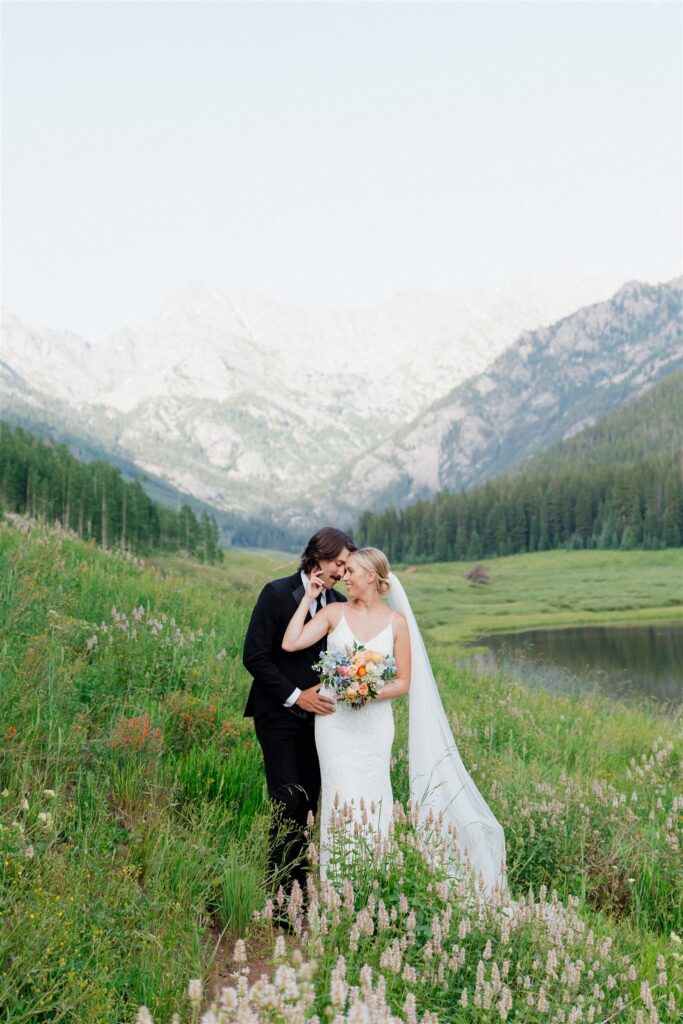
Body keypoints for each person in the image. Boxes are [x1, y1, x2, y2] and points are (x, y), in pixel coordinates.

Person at [283, 546, 507, 895]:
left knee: (374, 797)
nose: (344, 576)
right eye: (343, 572)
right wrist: (308, 598)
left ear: (371, 576)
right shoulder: (332, 611)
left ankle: (371, 888)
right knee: (339, 797)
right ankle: (334, 891)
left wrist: (363, 691)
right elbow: (291, 642)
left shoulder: (396, 622)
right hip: (335, 726)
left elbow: (402, 681)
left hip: (374, 725)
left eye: (351, 571)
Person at [242, 526, 355, 894]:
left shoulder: (339, 603)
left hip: (321, 722)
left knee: (309, 807)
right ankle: (278, 898)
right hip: (277, 715)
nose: (341, 571)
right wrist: (295, 695)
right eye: (338, 563)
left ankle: (300, 894)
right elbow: (255, 657)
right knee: (286, 800)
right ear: (318, 555)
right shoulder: (276, 593)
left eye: (346, 566)